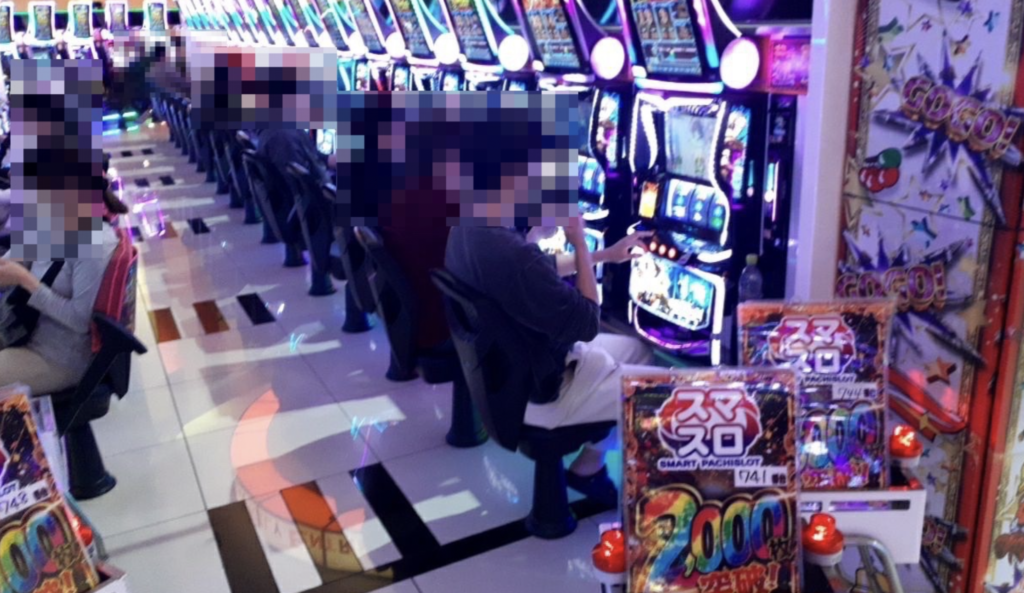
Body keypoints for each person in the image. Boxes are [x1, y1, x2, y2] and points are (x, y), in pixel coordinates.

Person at [446, 217, 657, 503]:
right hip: (542, 393)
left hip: (502, 377)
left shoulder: (469, 229)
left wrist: (605, 255)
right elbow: (587, 323)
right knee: (660, 390)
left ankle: (590, 465)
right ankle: (652, 493)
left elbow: (540, 268)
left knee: (638, 351)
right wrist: (580, 244)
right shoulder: (517, 256)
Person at [0, 164, 126, 396]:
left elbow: (79, 320)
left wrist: (25, 280)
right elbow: (15, 258)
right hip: (20, 327)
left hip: (56, 356)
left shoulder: (94, 242)